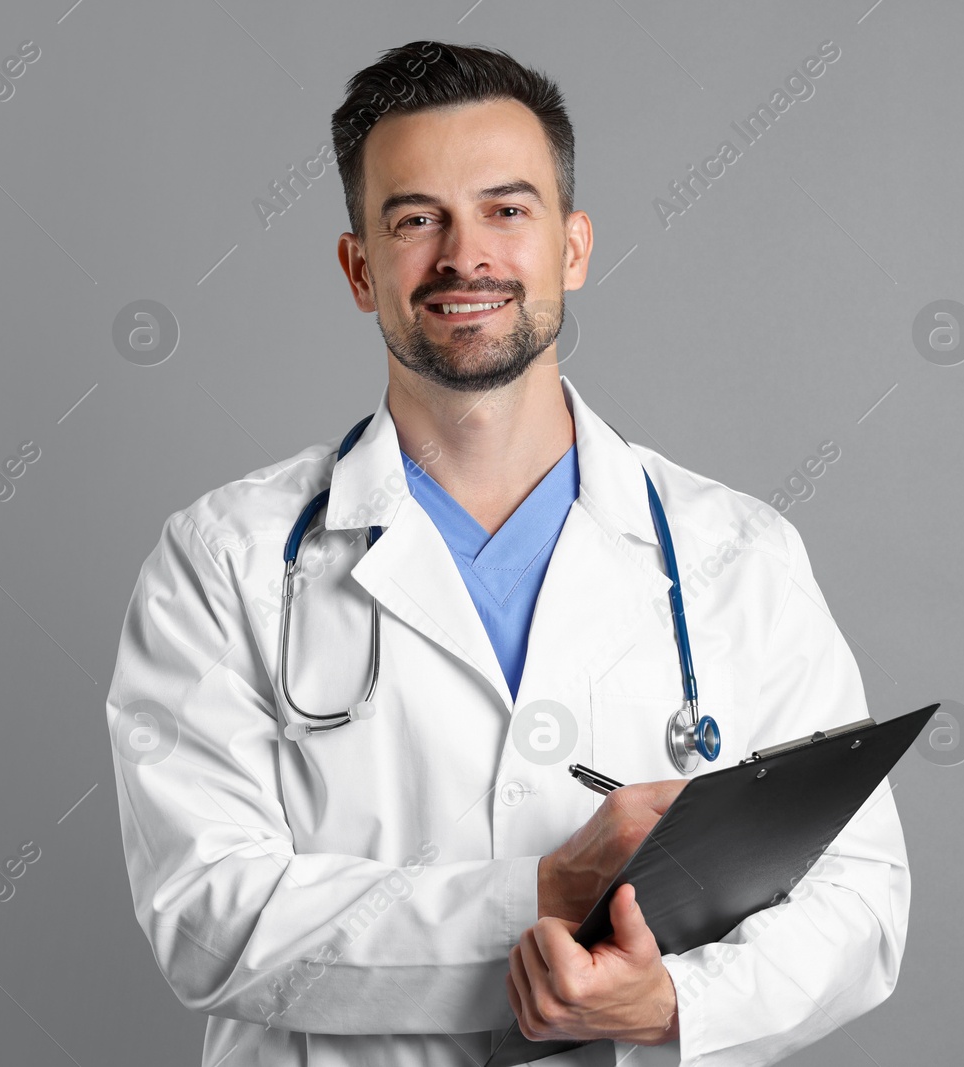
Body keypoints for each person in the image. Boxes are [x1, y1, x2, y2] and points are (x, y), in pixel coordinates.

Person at [105, 39, 908, 1066]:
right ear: (359, 268)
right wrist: (546, 891)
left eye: (505, 209)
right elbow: (205, 917)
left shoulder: (736, 551)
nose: (462, 256)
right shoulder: (226, 559)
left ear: (571, 247)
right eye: (413, 219)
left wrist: (671, 1001)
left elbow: (860, 895)